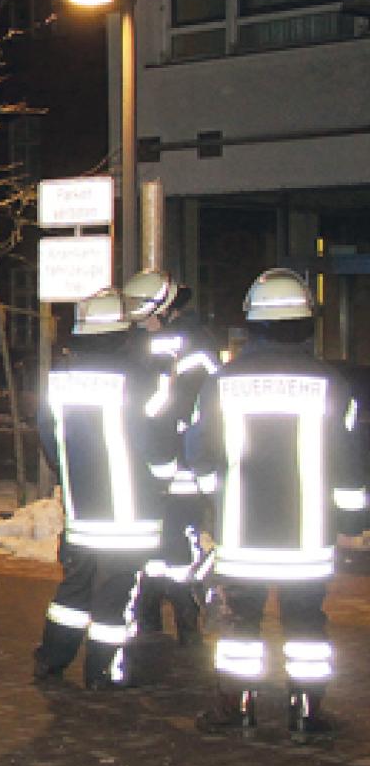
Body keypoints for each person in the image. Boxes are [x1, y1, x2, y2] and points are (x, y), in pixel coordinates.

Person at [188, 268, 366, 742]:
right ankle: (306, 713)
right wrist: (351, 518)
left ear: (253, 323)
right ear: (306, 323)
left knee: (241, 623)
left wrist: (216, 499)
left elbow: (198, 454)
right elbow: (351, 462)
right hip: (307, 538)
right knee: (306, 624)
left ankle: (238, 708)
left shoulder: (222, 383)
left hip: (241, 535)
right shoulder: (332, 383)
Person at [33, 288, 179, 689]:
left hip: (82, 510)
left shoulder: (58, 380)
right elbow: (157, 444)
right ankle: (102, 672)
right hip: (129, 516)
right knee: (116, 596)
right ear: (122, 333)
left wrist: (71, 476)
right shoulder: (140, 379)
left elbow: (49, 437)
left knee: (73, 591)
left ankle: (51, 660)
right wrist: (165, 480)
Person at [122, 270, 220, 646]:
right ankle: (154, 620)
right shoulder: (154, 343)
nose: (142, 325)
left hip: (182, 469)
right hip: (158, 467)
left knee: (178, 548)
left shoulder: (192, 349)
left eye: (146, 318)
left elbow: (189, 412)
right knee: (155, 548)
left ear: (164, 309)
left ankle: (187, 620)